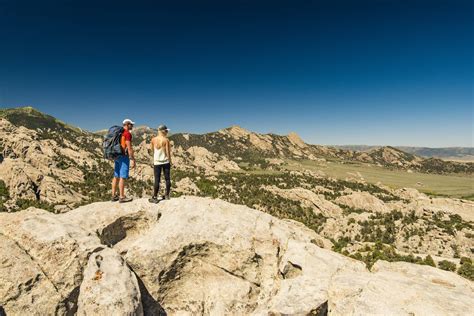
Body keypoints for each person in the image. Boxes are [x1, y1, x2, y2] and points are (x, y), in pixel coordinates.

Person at [111, 119, 136, 203]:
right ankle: (121, 197)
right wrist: (132, 159)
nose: (132, 126)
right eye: (131, 124)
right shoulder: (127, 133)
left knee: (116, 176)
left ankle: (113, 196)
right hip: (123, 157)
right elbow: (129, 147)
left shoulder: (119, 132)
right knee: (122, 177)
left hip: (116, 156)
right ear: (127, 124)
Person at [149, 125, 172, 203]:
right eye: (166, 131)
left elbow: (152, 151)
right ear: (163, 131)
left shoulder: (153, 140)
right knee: (167, 178)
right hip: (165, 161)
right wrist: (170, 161)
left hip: (157, 162)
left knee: (157, 180)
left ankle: (155, 197)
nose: (167, 132)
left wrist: (156, 157)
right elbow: (168, 153)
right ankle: (167, 195)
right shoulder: (166, 140)